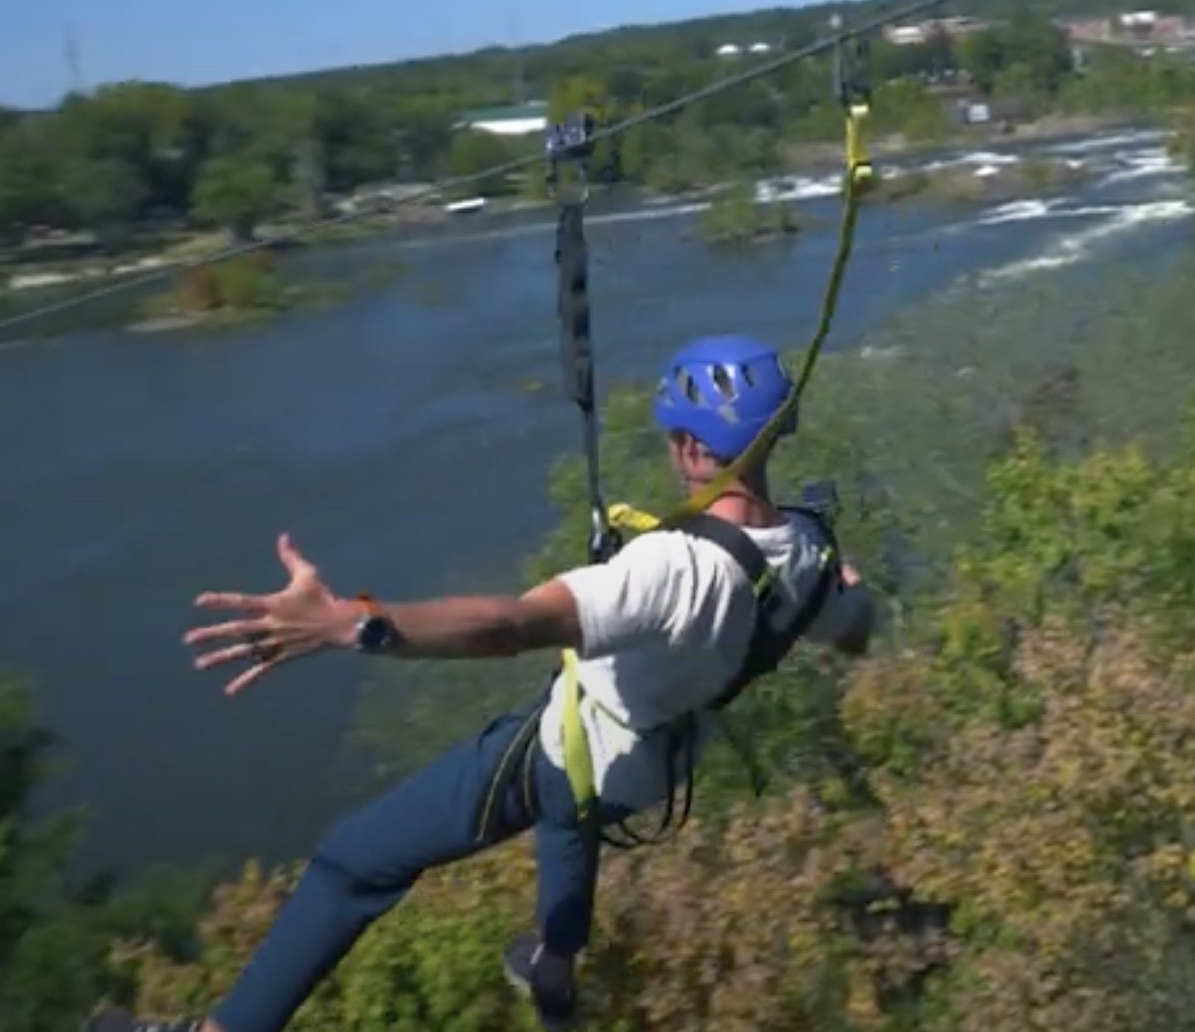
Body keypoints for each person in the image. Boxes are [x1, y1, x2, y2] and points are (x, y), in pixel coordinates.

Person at [87, 334, 879, 1032]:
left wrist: (351, 623)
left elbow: (508, 625)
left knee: (353, 861)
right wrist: (842, 585)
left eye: (677, 438)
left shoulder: (670, 568)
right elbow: (852, 631)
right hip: (656, 762)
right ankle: (554, 969)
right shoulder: (806, 553)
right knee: (575, 822)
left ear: (695, 449)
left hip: (575, 750)